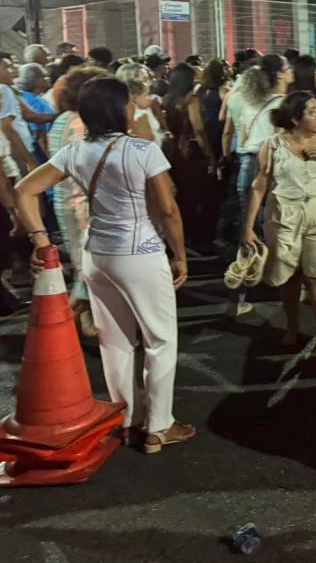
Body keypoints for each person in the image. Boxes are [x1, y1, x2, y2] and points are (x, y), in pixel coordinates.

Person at [14, 76, 195, 453]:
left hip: (96, 253)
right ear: (118, 109)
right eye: (128, 103)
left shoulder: (75, 150)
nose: (133, 108)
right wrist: (179, 254)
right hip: (141, 251)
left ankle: (126, 421)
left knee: (114, 341)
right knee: (160, 338)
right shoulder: (143, 149)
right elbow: (167, 209)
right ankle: (159, 426)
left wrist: (40, 239)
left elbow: (24, 190)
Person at [240, 92, 316, 359]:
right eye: (312, 112)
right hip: (284, 216)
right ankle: (293, 326)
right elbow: (259, 185)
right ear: (295, 118)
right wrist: (248, 226)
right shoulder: (273, 145)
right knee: (289, 278)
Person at [223, 54, 293, 315]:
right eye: (287, 67)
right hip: (274, 167)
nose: (291, 70)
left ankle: (237, 297)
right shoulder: (284, 104)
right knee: (283, 226)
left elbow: (239, 135)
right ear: (279, 74)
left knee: (249, 227)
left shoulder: (247, 99)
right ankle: (288, 285)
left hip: (247, 164)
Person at [46, 66, 109, 335]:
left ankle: (87, 324)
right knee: (88, 274)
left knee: (84, 268)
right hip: (82, 204)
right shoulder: (82, 124)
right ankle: (57, 334)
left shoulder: (62, 119)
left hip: (67, 201)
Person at [164, 63, 222, 252]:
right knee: (198, 193)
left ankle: (181, 234)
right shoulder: (191, 100)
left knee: (180, 193)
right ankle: (199, 237)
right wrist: (211, 156)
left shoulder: (167, 99)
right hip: (190, 154)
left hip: (172, 152)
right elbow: (199, 130)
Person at [15, 63, 53, 161]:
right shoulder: (35, 101)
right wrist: (48, 160)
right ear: (36, 80)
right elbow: (39, 136)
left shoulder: (26, 96)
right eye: (43, 76)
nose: (47, 79)